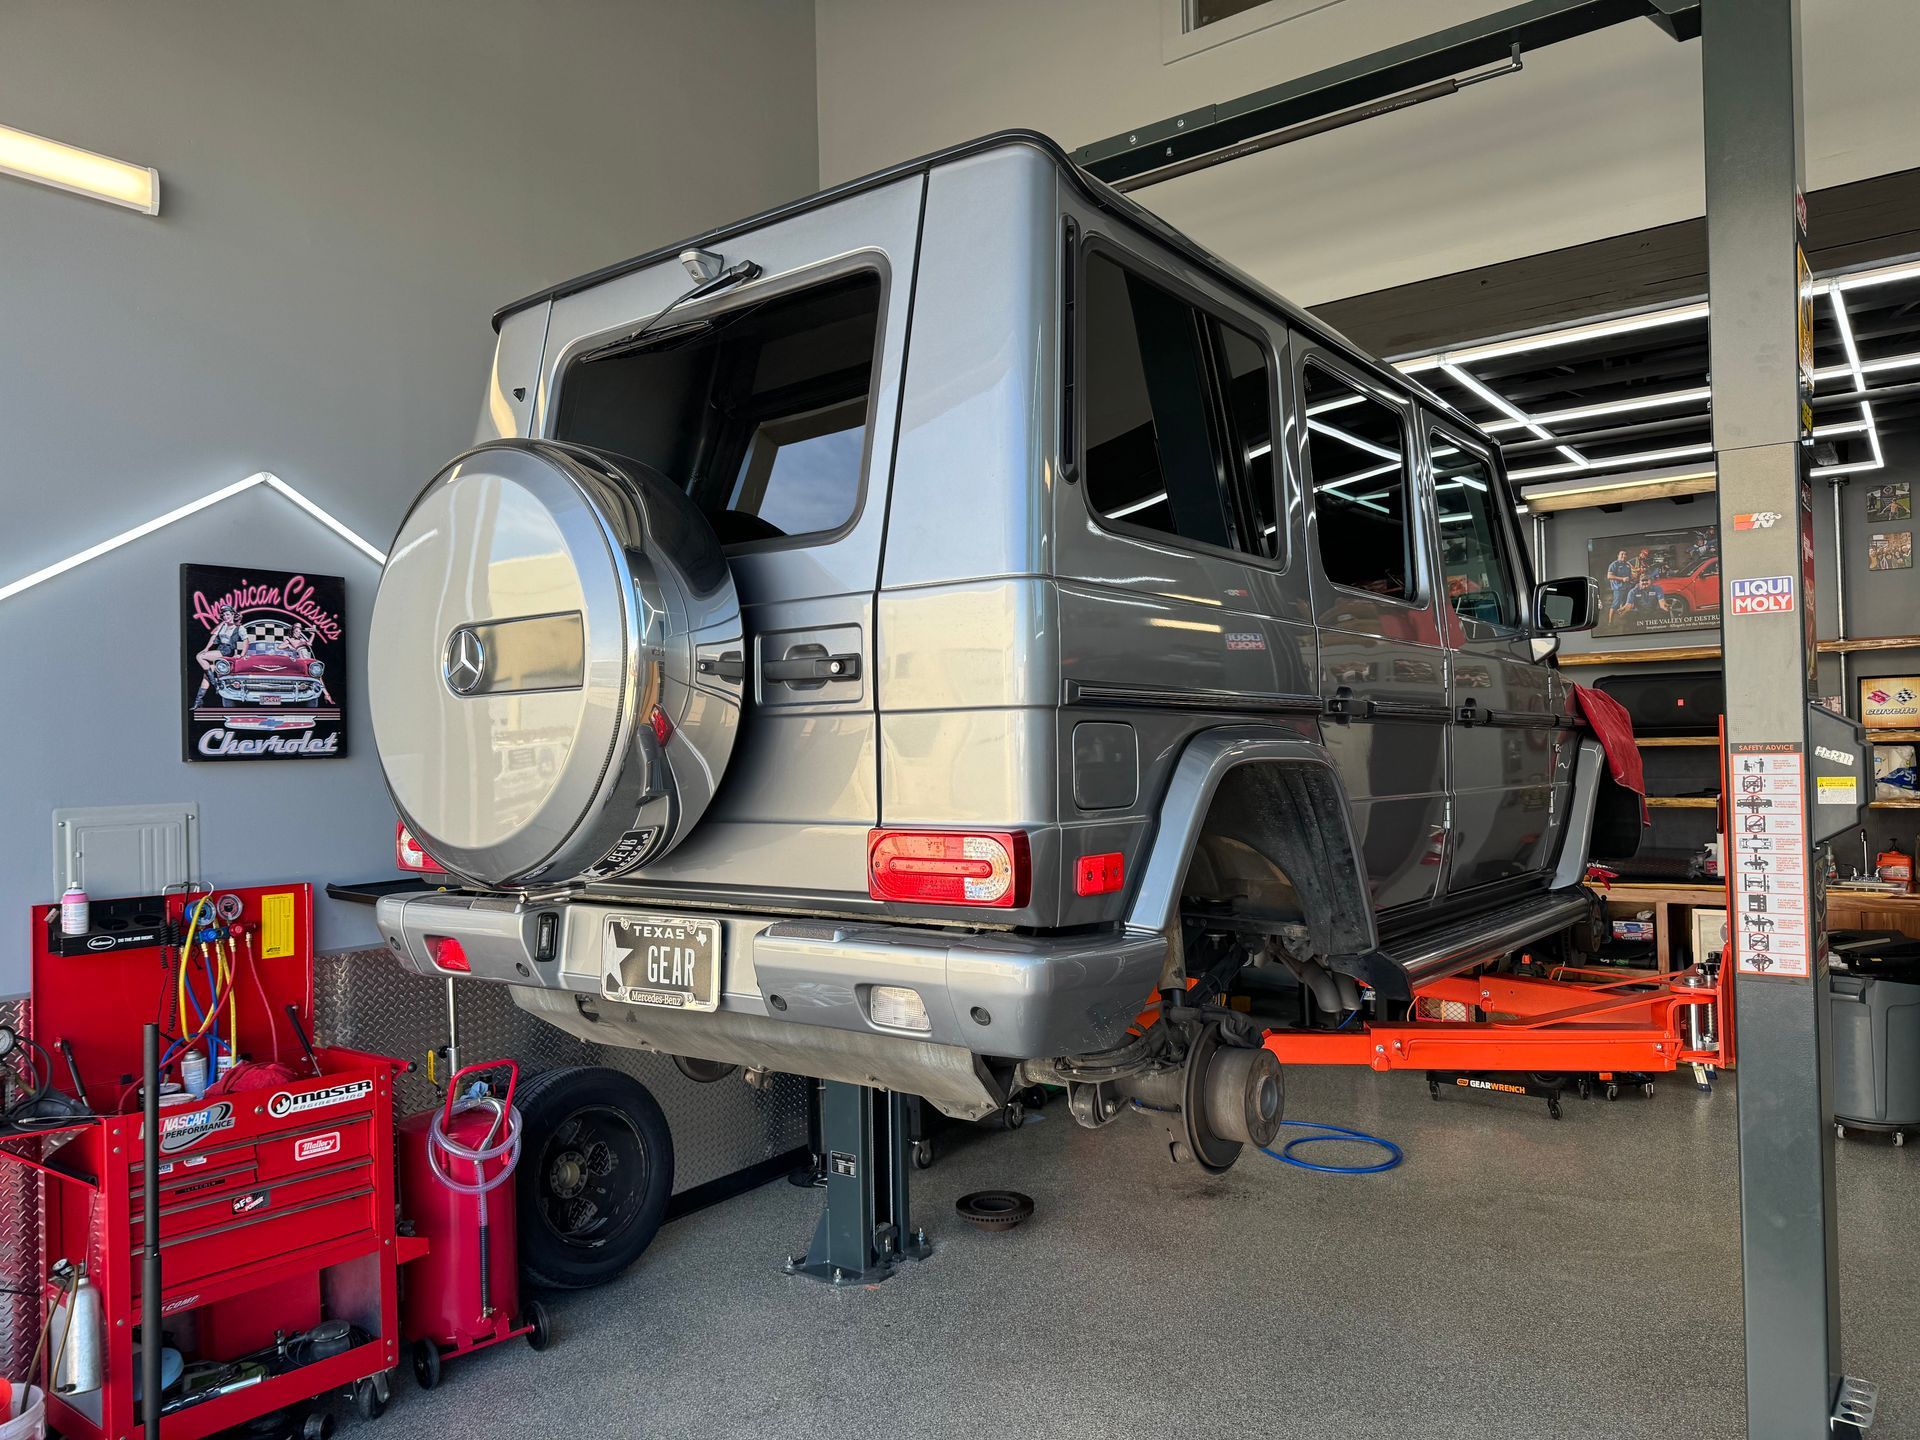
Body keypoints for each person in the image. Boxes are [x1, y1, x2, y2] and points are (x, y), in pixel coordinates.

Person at [193, 606, 245, 707]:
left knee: (199, 657)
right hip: (220, 649)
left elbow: (245, 641)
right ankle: (198, 701)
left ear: (233, 615)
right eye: (224, 615)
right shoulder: (223, 625)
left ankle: (216, 684)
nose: (226, 617)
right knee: (206, 676)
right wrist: (206, 649)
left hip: (227, 650)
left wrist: (242, 654)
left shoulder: (238, 627)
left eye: (228, 614)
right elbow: (213, 637)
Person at [1605, 549, 1634, 619]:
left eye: (1625, 554)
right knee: (1615, 605)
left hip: (1627, 588)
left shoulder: (1627, 565)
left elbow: (1629, 577)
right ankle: (1610, 623)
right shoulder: (1614, 564)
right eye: (1622, 554)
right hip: (1618, 589)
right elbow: (1609, 576)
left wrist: (1632, 578)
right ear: (1618, 555)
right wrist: (1622, 579)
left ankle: (1622, 619)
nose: (1624, 556)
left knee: (1624, 604)